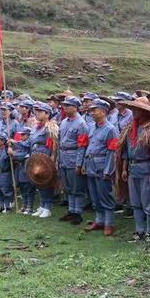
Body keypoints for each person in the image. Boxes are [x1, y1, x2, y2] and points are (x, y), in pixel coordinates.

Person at [117, 96, 150, 242]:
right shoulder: (130, 129)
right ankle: (139, 231)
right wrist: (124, 168)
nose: (134, 112)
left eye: (138, 110)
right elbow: (125, 150)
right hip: (132, 169)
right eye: (133, 109)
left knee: (148, 202)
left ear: (145, 111)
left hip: (146, 169)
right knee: (135, 202)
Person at [83, 99, 118, 236]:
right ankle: (99, 220)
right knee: (94, 195)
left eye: (94, 110)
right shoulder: (91, 127)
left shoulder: (110, 129)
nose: (92, 112)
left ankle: (109, 223)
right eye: (91, 110)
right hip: (91, 164)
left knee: (105, 195)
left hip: (102, 166)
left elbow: (112, 151)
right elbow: (88, 146)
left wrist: (108, 170)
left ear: (103, 111)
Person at [58, 96, 89, 225]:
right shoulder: (64, 121)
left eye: (67, 105)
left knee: (77, 187)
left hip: (73, 155)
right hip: (63, 155)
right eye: (64, 105)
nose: (64, 107)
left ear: (75, 107)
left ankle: (78, 212)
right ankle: (71, 210)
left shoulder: (81, 123)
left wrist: (78, 163)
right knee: (68, 187)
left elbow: (82, 145)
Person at [29, 101, 59, 218]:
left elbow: (54, 146)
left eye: (40, 111)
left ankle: (47, 207)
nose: (37, 113)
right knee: (39, 182)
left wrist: (53, 159)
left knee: (47, 183)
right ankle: (42, 205)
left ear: (47, 114)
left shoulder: (51, 127)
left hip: (46, 159)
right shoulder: (37, 127)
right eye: (36, 111)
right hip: (36, 157)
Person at [7, 127, 33, 214]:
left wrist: (13, 153)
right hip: (20, 168)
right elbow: (18, 152)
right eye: (21, 134)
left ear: (28, 135)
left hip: (27, 168)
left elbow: (22, 155)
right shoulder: (21, 144)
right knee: (22, 188)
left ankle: (29, 207)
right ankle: (24, 205)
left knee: (28, 188)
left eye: (23, 134)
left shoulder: (29, 143)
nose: (21, 136)